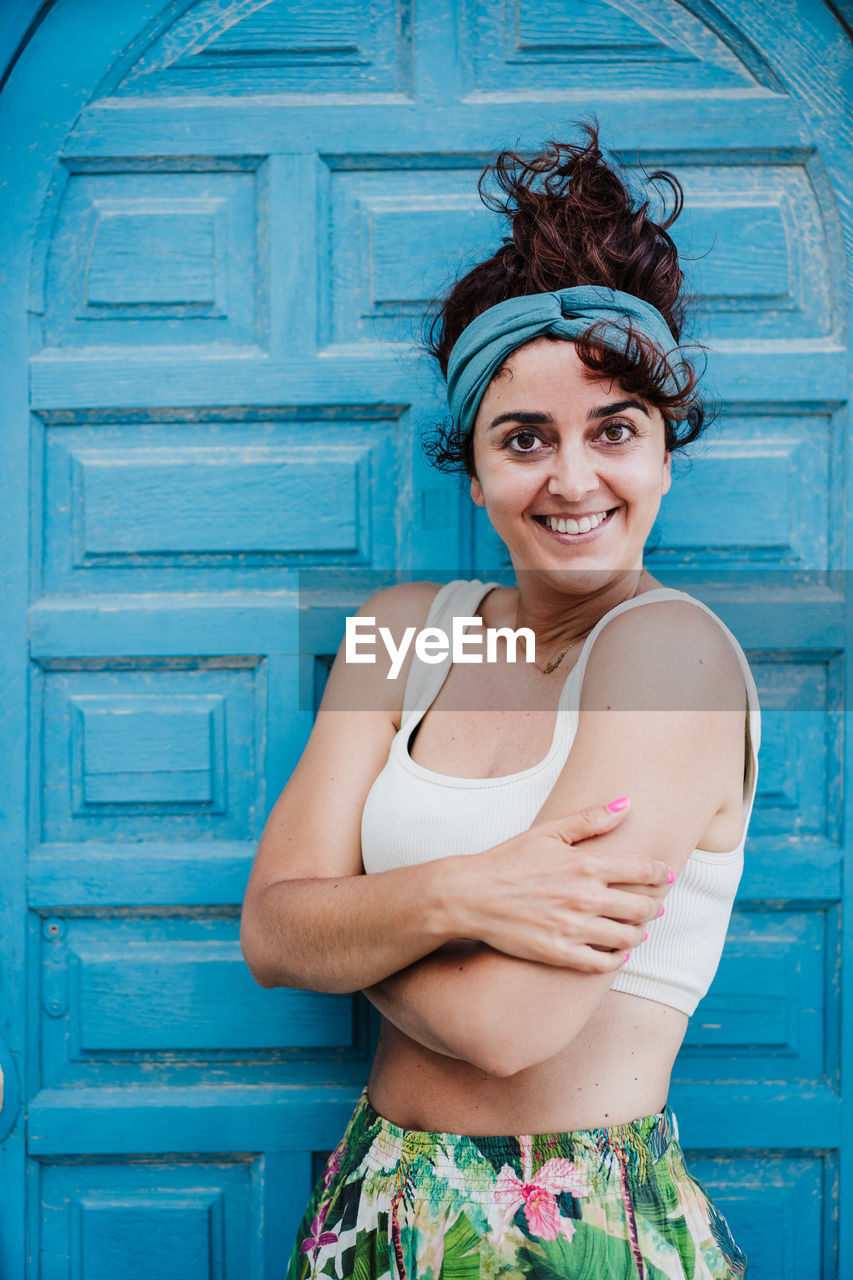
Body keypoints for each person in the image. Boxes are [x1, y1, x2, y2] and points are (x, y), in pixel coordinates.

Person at [240, 120, 759, 1279]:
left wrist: (342, 914)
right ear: (474, 469)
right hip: (370, 1204)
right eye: (524, 438)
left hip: (570, 1223)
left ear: (665, 453)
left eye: (614, 431)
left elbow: (507, 1027)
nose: (573, 479)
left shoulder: (667, 654)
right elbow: (267, 932)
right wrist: (464, 889)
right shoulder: (397, 629)